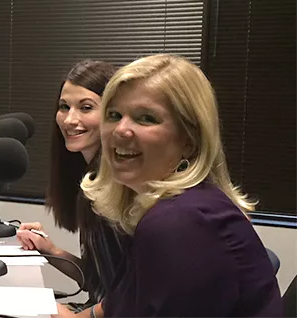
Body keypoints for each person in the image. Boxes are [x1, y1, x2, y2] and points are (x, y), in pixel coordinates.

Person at [55, 54, 282, 317]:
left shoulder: (181, 221)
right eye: (115, 115)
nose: (120, 130)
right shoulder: (162, 208)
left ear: (190, 139)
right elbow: (123, 303)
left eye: (146, 118)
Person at [15, 60, 129, 310]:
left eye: (86, 107)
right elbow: (100, 283)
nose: (69, 120)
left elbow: (137, 294)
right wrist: (50, 250)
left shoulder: (120, 186)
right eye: (64, 107)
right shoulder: (90, 179)